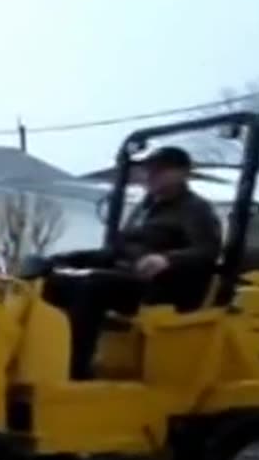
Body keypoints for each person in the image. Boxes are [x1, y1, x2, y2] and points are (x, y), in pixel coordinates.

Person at [43, 146, 223, 380]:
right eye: (148, 170)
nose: (149, 176)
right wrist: (66, 259)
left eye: (158, 171)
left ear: (181, 174)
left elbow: (207, 251)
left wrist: (166, 259)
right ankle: (49, 359)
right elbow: (117, 250)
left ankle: (74, 370)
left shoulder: (195, 209)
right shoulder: (146, 207)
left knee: (92, 287)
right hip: (130, 278)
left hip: (167, 287)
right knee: (56, 281)